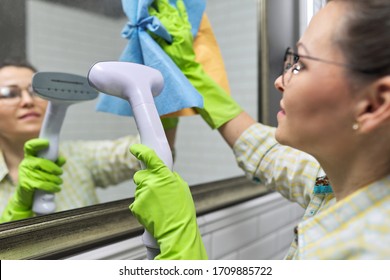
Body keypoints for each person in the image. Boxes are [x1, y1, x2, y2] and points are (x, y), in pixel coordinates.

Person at [128, 0, 390, 260]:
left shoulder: (371, 252)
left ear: (374, 104)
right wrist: (191, 74)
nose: (279, 81)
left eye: (302, 64)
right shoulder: (341, 183)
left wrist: (180, 238)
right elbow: (267, 154)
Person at [0, 59, 177, 223]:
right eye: (9, 93)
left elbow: (151, 152)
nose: (27, 101)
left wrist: (167, 85)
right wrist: (18, 207)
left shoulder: (78, 156)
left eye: (34, 90)